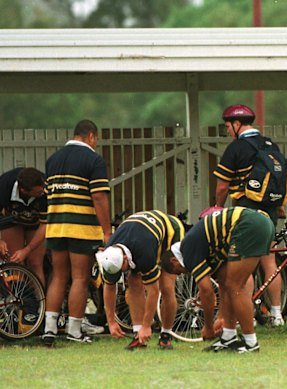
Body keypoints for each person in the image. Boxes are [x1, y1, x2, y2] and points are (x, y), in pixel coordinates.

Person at [35, 119, 112, 346]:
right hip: (81, 227)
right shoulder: (94, 160)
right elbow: (98, 196)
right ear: (91, 136)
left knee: (58, 276)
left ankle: (49, 329)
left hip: (56, 226)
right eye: (96, 140)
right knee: (80, 277)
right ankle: (74, 330)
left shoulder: (53, 160)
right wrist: (107, 231)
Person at [161, 206, 274, 353]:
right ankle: (229, 337)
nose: (185, 273)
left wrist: (208, 326)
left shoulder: (187, 249)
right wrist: (221, 317)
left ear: (174, 261)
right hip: (258, 222)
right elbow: (221, 284)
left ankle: (251, 343)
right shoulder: (202, 247)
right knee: (228, 285)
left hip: (247, 224)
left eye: (179, 272)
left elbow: (207, 292)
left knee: (235, 287)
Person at [213, 104, 286, 326]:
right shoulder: (269, 144)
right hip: (270, 210)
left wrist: (217, 207)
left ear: (237, 125)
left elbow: (223, 186)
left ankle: (248, 315)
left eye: (228, 126)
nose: (227, 130)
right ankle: (277, 314)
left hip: (246, 209)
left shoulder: (236, 148)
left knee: (244, 263)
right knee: (269, 260)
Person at [96, 210, 184, 350]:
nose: (120, 274)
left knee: (166, 285)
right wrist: (111, 322)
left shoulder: (144, 253)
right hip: (138, 233)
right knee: (133, 280)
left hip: (169, 232)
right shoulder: (110, 254)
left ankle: (165, 336)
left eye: (121, 269)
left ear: (125, 259)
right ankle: (138, 335)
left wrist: (147, 326)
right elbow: (109, 286)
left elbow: (153, 291)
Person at [0, 167, 47, 285]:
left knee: (35, 263)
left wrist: (28, 249)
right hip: (12, 220)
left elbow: (45, 225)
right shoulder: (3, 186)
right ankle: (21, 300)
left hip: (37, 222)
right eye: (38, 193)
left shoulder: (46, 190)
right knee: (16, 262)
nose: (42, 193)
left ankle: (40, 301)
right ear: (23, 190)